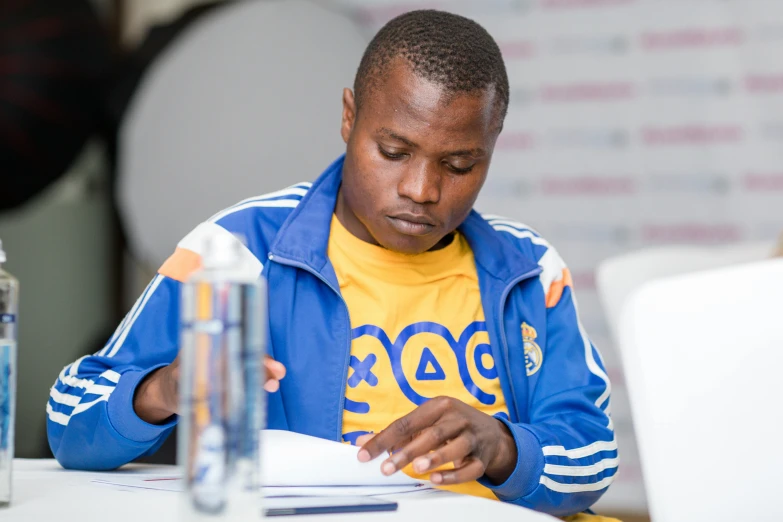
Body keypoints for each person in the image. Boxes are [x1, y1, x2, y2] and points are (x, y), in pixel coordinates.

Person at [46, 10, 616, 519]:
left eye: (460, 164)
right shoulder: (236, 251)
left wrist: (502, 447)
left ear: (492, 147)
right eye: (393, 153)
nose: (421, 189)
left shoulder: (529, 269)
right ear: (349, 117)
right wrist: (164, 390)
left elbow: (591, 455)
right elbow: (68, 424)